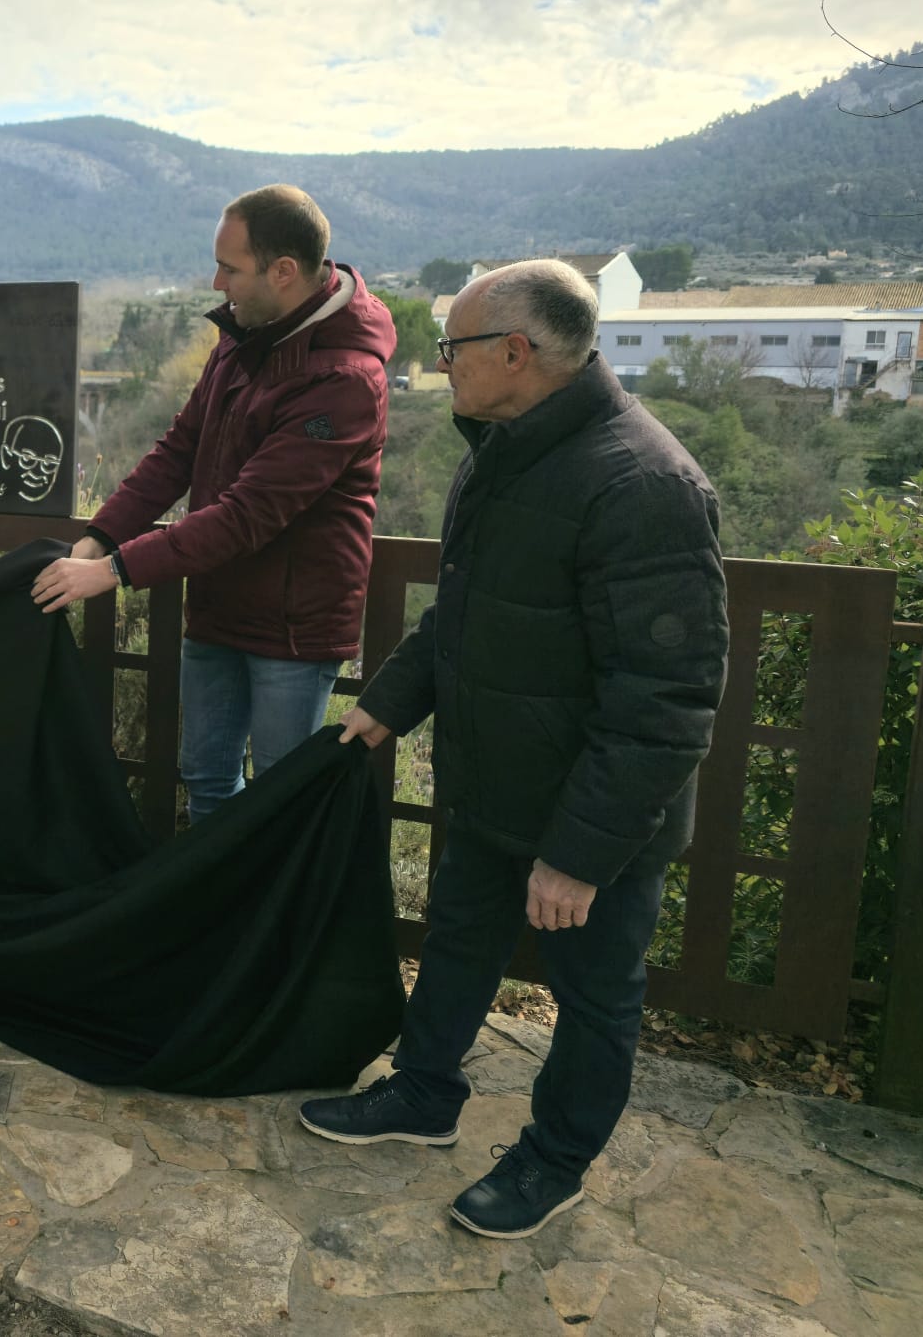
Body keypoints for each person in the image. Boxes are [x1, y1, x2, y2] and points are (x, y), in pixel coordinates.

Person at [297, 259, 729, 1240]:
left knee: (593, 997)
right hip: (494, 787)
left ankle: (555, 1160)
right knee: (458, 940)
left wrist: (579, 852)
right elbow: (471, 615)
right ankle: (423, 1093)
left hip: (593, 820)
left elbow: (665, 699)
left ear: (515, 353)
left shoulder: (644, 485)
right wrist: (390, 704)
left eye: (450, 347)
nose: (439, 363)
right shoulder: (505, 453)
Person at [31, 184, 395, 822]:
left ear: (283, 272)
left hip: (293, 628)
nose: (216, 280)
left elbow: (246, 514)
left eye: (230, 268)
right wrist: (100, 537)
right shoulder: (244, 337)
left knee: (280, 802)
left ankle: (272, 923)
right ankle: (217, 917)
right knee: (205, 781)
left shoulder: (345, 381)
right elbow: (179, 451)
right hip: (219, 605)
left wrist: (112, 572)